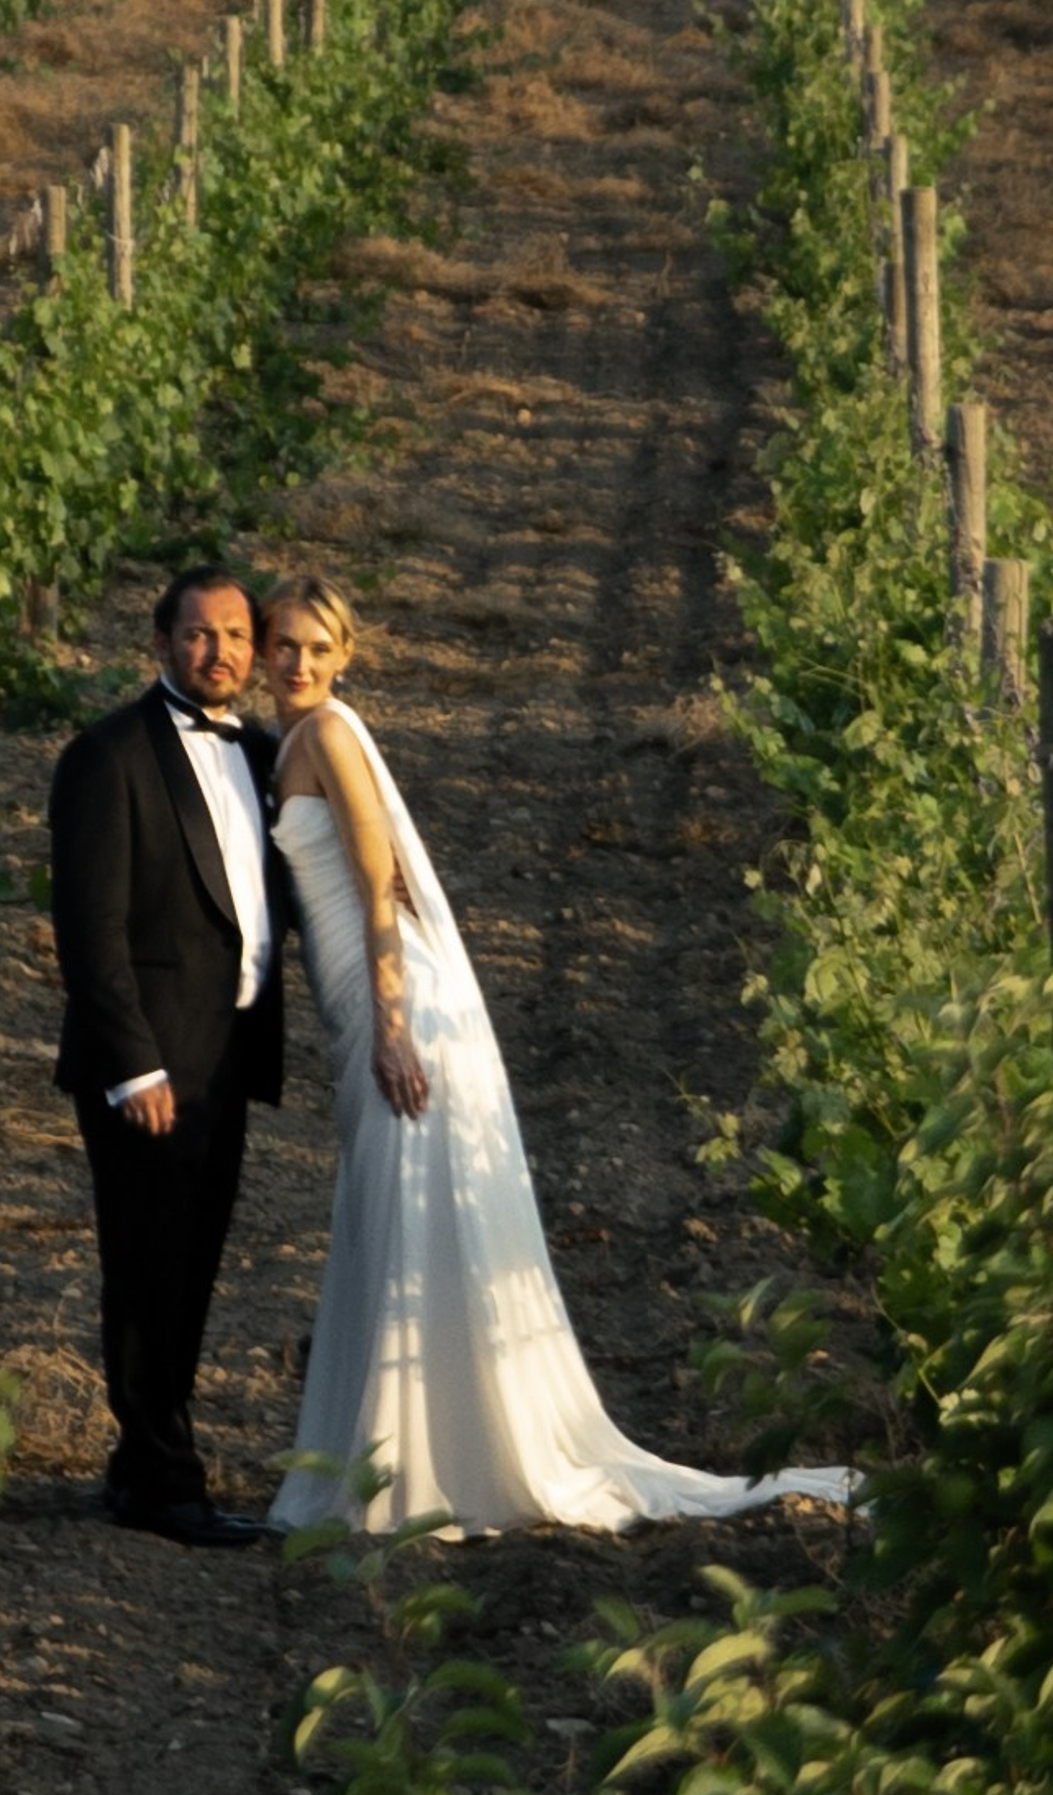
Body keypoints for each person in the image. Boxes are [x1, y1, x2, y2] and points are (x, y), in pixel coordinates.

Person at [260, 575, 855, 1538]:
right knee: (392, 1211)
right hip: (359, 997)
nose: (297, 663)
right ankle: (407, 1452)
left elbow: (378, 884)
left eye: (316, 648)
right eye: (284, 644)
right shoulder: (289, 737)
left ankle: (428, 1463)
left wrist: (394, 1025)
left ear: (346, 657)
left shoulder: (328, 733)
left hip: (394, 1000)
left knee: (411, 1208)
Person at [48, 565, 284, 1547]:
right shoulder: (109, 755)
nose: (217, 651)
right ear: (159, 643)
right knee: (148, 1274)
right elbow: (89, 930)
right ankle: (161, 1482)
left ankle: (143, 1466)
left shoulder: (264, 753)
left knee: (190, 1271)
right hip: (148, 1069)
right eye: (197, 634)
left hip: (225, 1059)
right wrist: (133, 1067)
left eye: (234, 635)